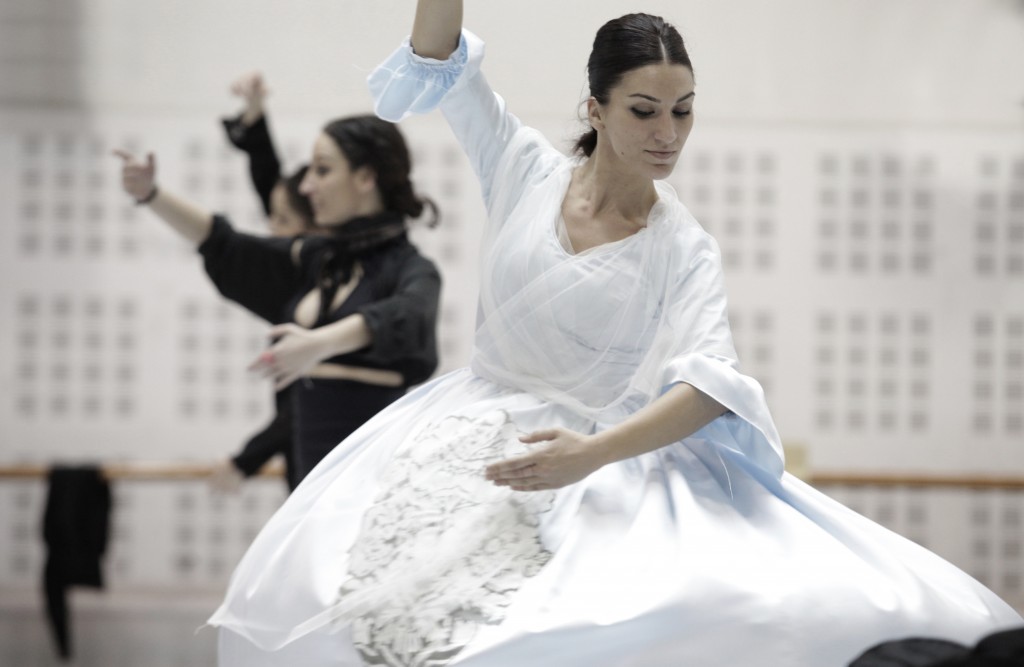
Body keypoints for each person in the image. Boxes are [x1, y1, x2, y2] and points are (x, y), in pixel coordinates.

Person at [208, 3, 1023, 666]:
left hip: (591, 456)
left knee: (572, 632)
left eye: (683, 111)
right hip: (458, 432)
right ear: (594, 109)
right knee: (351, 612)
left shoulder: (683, 245)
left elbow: (709, 385)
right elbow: (442, 55)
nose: (668, 132)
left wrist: (592, 454)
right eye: (644, 110)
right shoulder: (523, 168)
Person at [113, 111, 441, 487]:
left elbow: (407, 315)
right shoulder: (317, 260)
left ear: (365, 177)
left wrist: (321, 343)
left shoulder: (412, 270)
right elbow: (226, 245)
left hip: (371, 486)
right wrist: (152, 195)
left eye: (322, 170)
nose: (308, 186)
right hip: (306, 485)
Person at [209, 71, 319, 493]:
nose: (271, 230)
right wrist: (255, 118)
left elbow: (305, 406)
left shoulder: (327, 293)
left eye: (282, 221)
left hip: (328, 457)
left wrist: (244, 460)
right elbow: (272, 185)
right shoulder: (297, 269)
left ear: (317, 230)